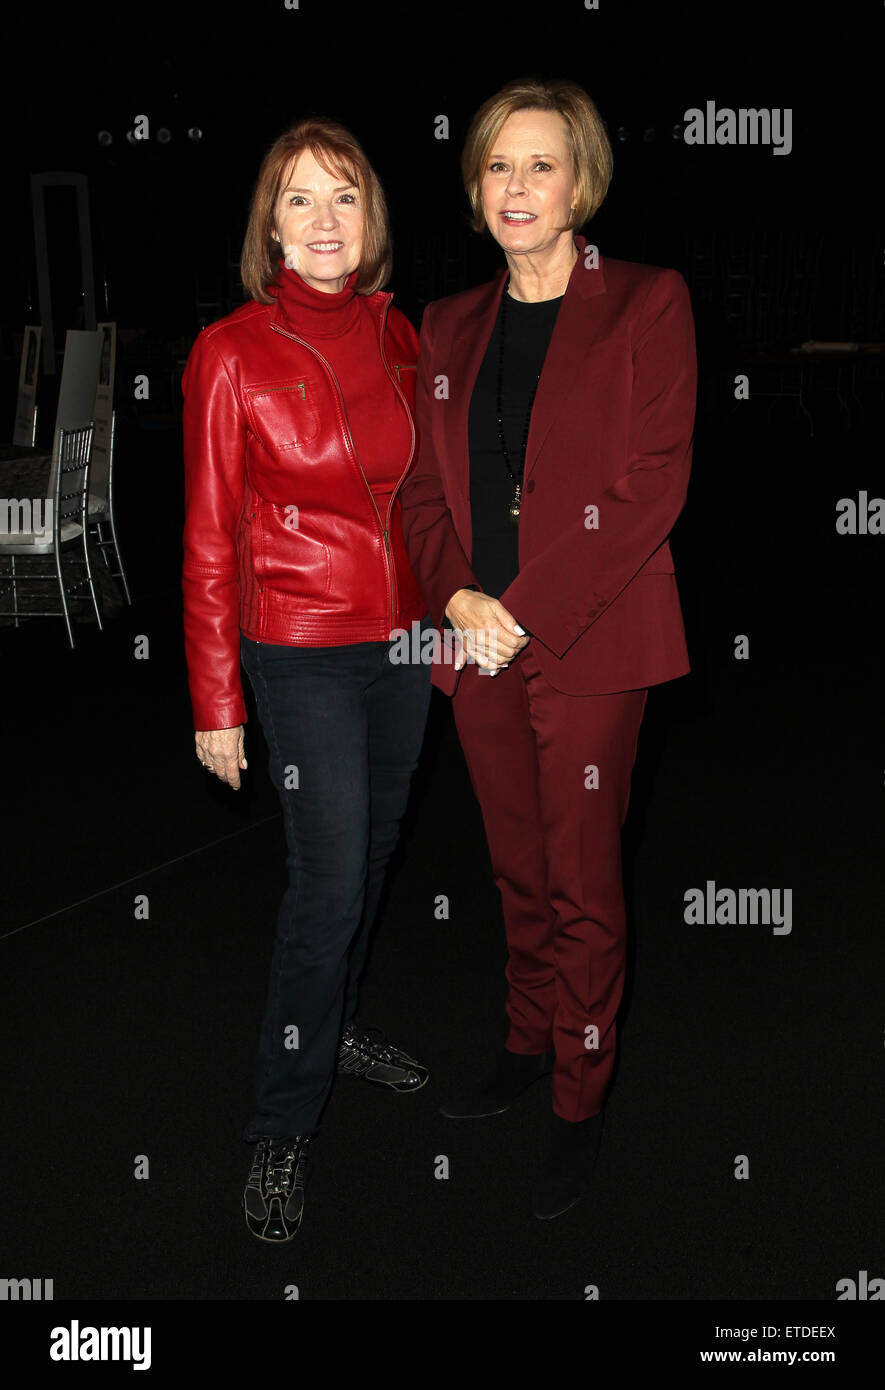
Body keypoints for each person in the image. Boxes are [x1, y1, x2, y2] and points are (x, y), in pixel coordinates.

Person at [399, 77, 697, 1220]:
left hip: (590, 639)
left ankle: (580, 1096)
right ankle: (526, 1042)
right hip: (476, 639)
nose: (518, 186)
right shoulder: (447, 324)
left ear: (581, 182)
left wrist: (521, 607)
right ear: (476, 190)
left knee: (582, 882)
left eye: (541, 164)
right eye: (497, 166)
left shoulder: (647, 302)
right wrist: (460, 591)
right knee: (515, 864)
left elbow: (651, 486)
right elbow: (422, 491)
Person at [181, 118, 432, 1243]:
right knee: (327, 883)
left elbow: (427, 502)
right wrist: (216, 699)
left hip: (406, 649)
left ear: (370, 216)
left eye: (345, 197)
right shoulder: (230, 351)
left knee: (376, 855)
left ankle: (334, 1025)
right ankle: (282, 1123)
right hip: (299, 646)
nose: (326, 220)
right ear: (269, 225)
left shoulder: (401, 336)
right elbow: (205, 538)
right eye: (300, 200)